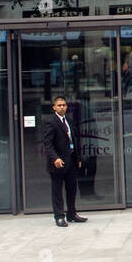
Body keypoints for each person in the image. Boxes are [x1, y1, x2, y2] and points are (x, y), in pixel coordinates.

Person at [41, 95, 86, 227]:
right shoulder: (51, 122)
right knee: (57, 190)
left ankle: (71, 214)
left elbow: (74, 140)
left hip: (71, 161)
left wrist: (78, 158)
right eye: (59, 105)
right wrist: (55, 158)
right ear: (54, 107)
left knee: (72, 188)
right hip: (58, 163)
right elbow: (48, 144)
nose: (62, 107)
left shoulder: (69, 121)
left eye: (64, 105)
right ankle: (59, 216)